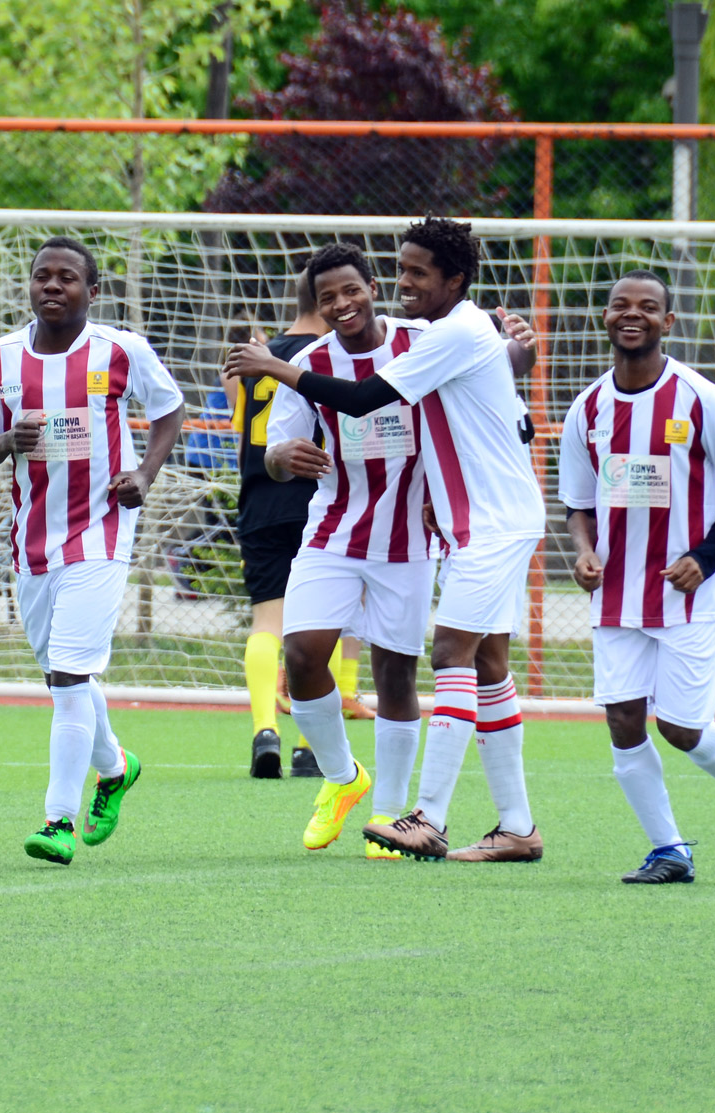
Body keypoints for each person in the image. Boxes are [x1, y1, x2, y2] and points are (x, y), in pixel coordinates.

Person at [228, 218, 547, 863]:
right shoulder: (456, 331)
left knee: (446, 654)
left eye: (416, 273)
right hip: (426, 524)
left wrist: (270, 366)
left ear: (454, 279)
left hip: (476, 525)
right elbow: (509, 390)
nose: (404, 283)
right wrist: (283, 455)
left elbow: (365, 397)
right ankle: (515, 827)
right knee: (485, 665)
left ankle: (423, 817)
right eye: (401, 270)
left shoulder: (440, 334)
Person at [0, 236, 185, 866]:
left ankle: (57, 820)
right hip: (32, 538)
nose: (52, 286)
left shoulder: (120, 350)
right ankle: (115, 767)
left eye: (66, 277)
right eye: (42, 276)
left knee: (67, 676)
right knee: (64, 675)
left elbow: (169, 410)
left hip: (102, 532)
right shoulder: (0, 357)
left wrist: (144, 476)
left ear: (93, 290)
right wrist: (9, 439)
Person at [560, 271, 715, 884]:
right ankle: (669, 850)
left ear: (667, 322)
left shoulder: (701, 399)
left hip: (687, 598)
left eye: (648, 307)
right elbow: (577, 503)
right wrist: (584, 552)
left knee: (680, 729)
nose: (633, 315)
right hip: (616, 595)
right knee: (623, 720)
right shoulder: (587, 408)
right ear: (605, 317)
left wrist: (704, 558)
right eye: (620, 305)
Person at [253, 246, 437, 856]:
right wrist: (283, 457)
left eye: (351, 290)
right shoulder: (308, 363)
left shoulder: (421, 343)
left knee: (395, 674)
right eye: (327, 297)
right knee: (303, 655)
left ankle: (389, 817)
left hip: (410, 537)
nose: (341, 304)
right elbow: (274, 454)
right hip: (333, 531)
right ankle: (342, 777)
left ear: (373, 287)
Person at [229, 263, 373, 782]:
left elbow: (242, 429)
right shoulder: (334, 355)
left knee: (267, 620)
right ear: (325, 300)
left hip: (261, 498)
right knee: (323, 625)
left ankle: (263, 730)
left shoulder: (257, 355)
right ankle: (310, 748)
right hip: (321, 501)